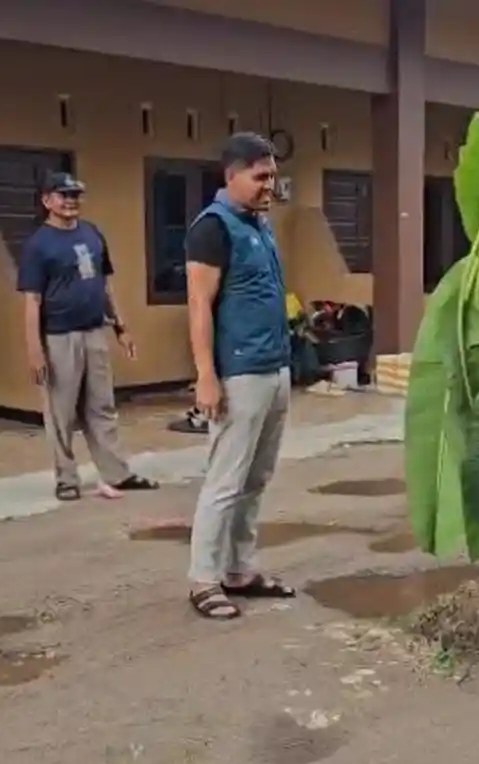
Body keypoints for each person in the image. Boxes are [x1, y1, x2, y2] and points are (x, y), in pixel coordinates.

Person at [184, 133, 296, 621]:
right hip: (239, 374)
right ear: (231, 176)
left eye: (271, 175)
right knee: (225, 481)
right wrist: (206, 375)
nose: (269, 184)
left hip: (274, 369)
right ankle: (203, 580)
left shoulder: (259, 224)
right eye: (260, 176)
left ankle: (238, 570)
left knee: (257, 478)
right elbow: (198, 306)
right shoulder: (213, 228)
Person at [17, 172, 159, 501]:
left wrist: (121, 327)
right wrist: (34, 350)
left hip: (95, 331)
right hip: (59, 337)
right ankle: (66, 478)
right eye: (62, 195)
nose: (70, 201)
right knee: (61, 412)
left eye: (75, 195)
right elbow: (32, 301)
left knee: (102, 407)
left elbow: (105, 284)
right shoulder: (38, 245)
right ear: (47, 201)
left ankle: (117, 473)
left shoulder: (93, 234)